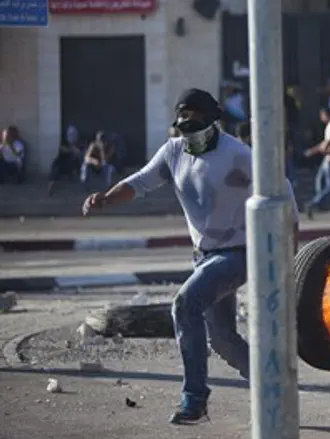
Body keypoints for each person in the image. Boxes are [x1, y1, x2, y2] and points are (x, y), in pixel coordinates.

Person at [81, 88, 300, 424]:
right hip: (205, 256)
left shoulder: (237, 154)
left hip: (239, 253)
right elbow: (139, 182)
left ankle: (195, 400)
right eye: (183, 126)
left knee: (185, 304)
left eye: (197, 126)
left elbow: (281, 189)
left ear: (214, 124)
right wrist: (106, 199)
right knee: (223, 339)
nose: (190, 134)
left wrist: (291, 242)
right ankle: (275, 388)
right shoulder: (173, 152)